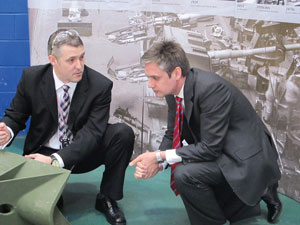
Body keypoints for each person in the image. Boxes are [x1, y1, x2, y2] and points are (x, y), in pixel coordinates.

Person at [130, 41, 282, 225]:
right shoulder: (171, 90)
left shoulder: (211, 89)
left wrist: (159, 155)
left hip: (246, 157)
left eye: (155, 77)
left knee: (185, 174)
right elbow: (172, 132)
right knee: (187, 169)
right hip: (221, 147)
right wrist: (159, 162)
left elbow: (210, 149)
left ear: (176, 73)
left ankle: (263, 189)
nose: (150, 84)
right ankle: (241, 203)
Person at [0, 29, 134, 225]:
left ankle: (107, 198)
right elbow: (16, 115)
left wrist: (55, 161)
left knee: (122, 133)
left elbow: (92, 134)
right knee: (41, 210)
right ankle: (52, 192)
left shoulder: (100, 85)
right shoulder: (32, 78)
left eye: (81, 57)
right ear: (53, 60)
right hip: (42, 153)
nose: (79, 65)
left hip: (82, 152)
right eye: (71, 60)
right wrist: (7, 132)